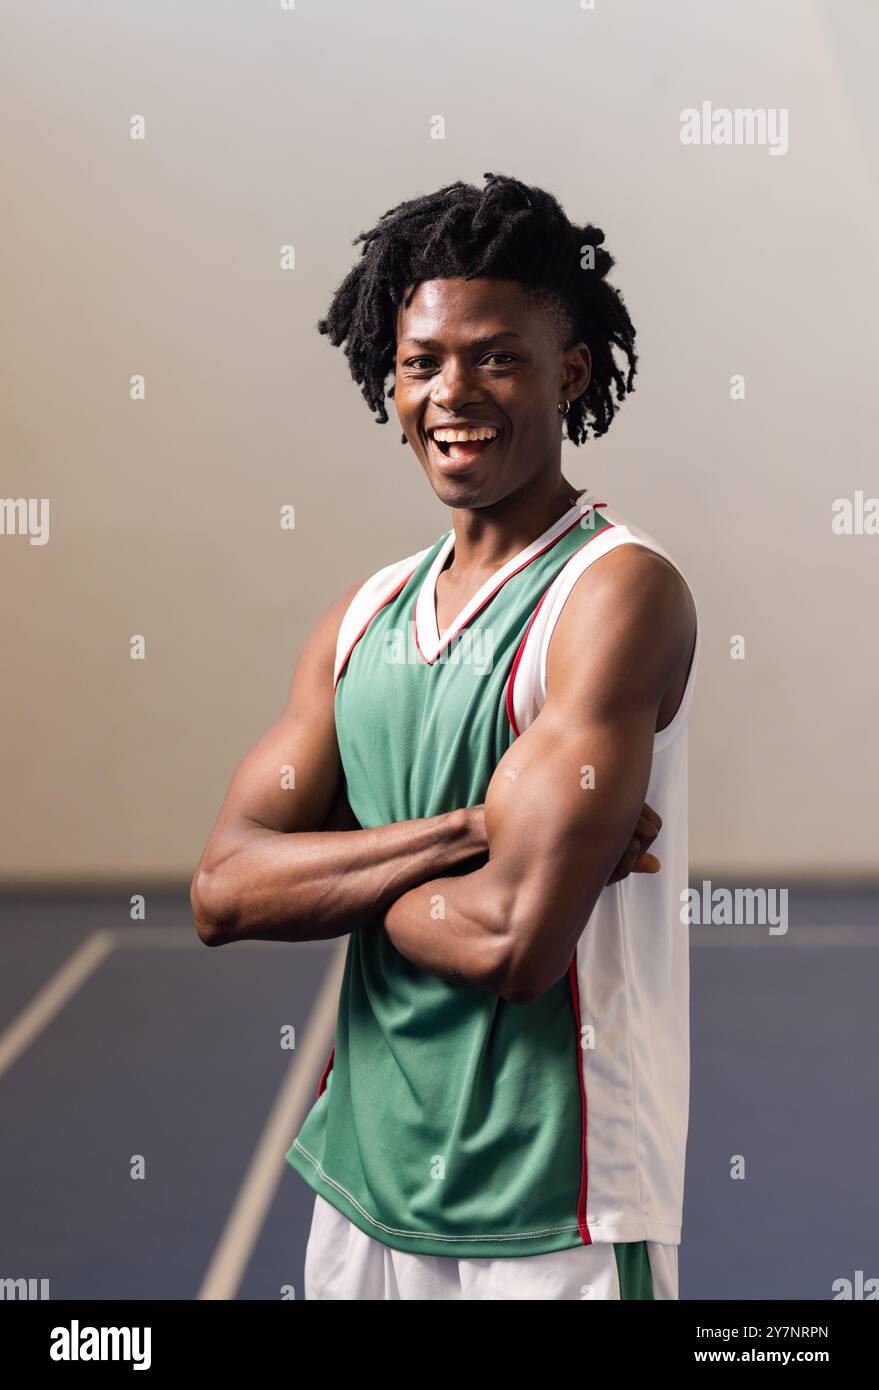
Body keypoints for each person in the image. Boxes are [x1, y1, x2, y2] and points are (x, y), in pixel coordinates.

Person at [190, 173, 699, 1301]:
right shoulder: (363, 615)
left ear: (568, 373)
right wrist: (475, 827)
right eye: (422, 361)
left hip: (554, 1195)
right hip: (362, 1180)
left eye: (496, 356)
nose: (451, 391)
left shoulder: (616, 595)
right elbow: (224, 892)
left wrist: (340, 860)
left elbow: (515, 941)